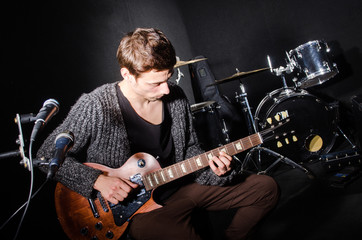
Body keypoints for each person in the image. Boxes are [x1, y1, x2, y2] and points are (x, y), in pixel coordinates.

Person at [36, 27, 279, 240]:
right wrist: (97, 181)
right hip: (137, 211)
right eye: (155, 83)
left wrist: (216, 169)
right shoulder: (96, 105)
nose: (166, 89)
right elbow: (46, 155)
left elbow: (191, 149)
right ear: (127, 74)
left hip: (181, 187)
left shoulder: (175, 96)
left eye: (168, 78)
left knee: (266, 188)